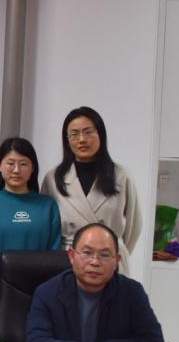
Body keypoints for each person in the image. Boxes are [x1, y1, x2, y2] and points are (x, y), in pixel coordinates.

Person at [26, 223, 165, 342]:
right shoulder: (47, 292)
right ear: (72, 256)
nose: (95, 262)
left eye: (104, 255)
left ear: (116, 261)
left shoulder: (132, 292)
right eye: (87, 253)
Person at [0, 137, 61, 342]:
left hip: (39, 302)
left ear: (33, 168)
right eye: (10, 163)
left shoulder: (47, 206)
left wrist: (42, 297)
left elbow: (54, 254)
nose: (16, 170)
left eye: (23, 164)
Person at [41, 106, 143, 273]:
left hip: (109, 260)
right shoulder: (53, 178)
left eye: (88, 132)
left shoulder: (121, 176)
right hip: (69, 260)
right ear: (67, 140)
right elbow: (47, 228)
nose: (81, 139)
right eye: (74, 134)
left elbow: (134, 226)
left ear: (100, 134)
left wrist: (113, 251)